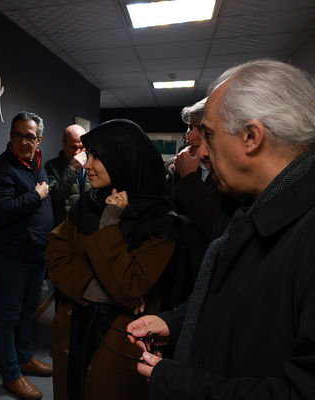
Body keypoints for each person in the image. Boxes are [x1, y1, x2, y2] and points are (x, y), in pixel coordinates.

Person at [127, 59, 315, 400]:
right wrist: (177, 322)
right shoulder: (251, 203)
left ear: (251, 137)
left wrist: (180, 383)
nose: (202, 155)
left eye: (209, 136)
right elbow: (243, 307)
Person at [45, 119, 179, 400]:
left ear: (122, 161)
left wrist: (109, 223)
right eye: (88, 154)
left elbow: (127, 284)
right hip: (73, 326)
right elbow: (55, 252)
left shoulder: (162, 222)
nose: (87, 163)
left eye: (96, 156)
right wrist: (97, 290)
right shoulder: (88, 202)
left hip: (118, 340)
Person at [0, 111, 54, 400]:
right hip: (13, 255)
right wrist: (35, 197)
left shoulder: (36, 162)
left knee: (29, 310)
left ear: (39, 139)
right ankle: (11, 374)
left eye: (29, 136)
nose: (23, 141)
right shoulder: (1, 168)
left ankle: (25, 357)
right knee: (9, 316)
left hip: (37, 252)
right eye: (17, 135)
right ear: (11, 136)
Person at [159, 99, 221, 310]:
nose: (190, 136)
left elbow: (217, 228)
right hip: (173, 271)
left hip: (208, 275)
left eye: (200, 128)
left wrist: (189, 179)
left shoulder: (230, 174)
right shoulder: (173, 167)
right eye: (189, 127)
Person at [45, 124, 91, 226]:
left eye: (82, 147)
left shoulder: (93, 164)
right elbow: (52, 199)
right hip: (65, 227)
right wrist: (72, 169)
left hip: (89, 227)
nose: (78, 152)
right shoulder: (51, 166)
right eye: (73, 147)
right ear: (64, 144)